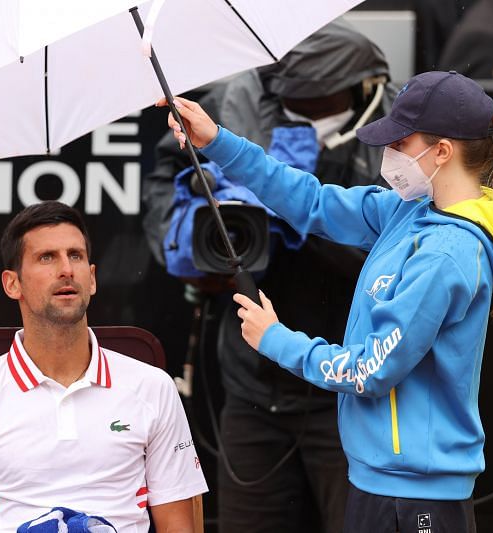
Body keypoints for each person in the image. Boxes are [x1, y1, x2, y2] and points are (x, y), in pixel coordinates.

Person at [161, 70, 493, 533]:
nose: (389, 154)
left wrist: (276, 340)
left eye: (401, 143)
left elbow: (370, 370)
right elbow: (312, 202)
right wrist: (218, 141)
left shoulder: (446, 253)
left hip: (414, 498)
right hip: (385, 487)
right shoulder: (412, 210)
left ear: (442, 152)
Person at [142, 21, 393, 533]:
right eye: (289, 94)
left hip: (348, 390)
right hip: (252, 387)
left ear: (360, 86)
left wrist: (300, 222)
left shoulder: (390, 136)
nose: (297, 100)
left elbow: (365, 234)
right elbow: (166, 186)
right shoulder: (233, 102)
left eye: (316, 96)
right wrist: (191, 242)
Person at [0, 201, 208, 533]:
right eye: (47, 257)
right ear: (13, 284)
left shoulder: (153, 387)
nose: (66, 269)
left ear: (92, 278)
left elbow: (180, 526)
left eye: (75, 256)